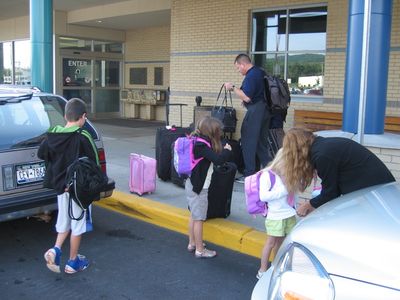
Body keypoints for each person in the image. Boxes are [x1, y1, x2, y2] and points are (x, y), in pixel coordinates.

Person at [38, 98, 98, 274]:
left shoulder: (53, 135)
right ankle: (72, 262)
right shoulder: (82, 136)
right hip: (77, 190)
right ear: (83, 117)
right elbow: (93, 162)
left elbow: (42, 153)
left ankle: (55, 250)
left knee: (64, 221)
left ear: (65, 116)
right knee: (77, 225)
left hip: (61, 188)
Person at [281, 128, 396, 217]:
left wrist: (308, 205)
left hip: (376, 193)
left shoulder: (322, 155)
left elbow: (330, 193)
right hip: (378, 189)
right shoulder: (323, 147)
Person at [186, 116, 232, 258]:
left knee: (194, 215)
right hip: (199, 188)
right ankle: (200, 250)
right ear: (211, 132)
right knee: (199, 218)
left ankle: (192, 243)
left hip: (192, 185)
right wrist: (227, 150)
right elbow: (218, 160)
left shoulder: (199, 142)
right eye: (218, 132)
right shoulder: (202, 146)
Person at [224, 53, 271, 183]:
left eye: (238, 68)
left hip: (256, 111)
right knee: (261, 143)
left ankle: (249, 175)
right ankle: (271, 171)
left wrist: (232, 87)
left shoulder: (251, 75)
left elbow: (247, 96)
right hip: (265, 111)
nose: (238, 71)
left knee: (247, 141)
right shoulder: (260, 72)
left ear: (243, 64)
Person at [257, 149, 298, 279]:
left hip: (289, 214)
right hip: (275, 216)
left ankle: (276, 266)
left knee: (281, 243)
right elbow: (263, 196)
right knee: (270, 243)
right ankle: (262, 271)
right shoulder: (267, 174)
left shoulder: (289, 174)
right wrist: (284, 190)